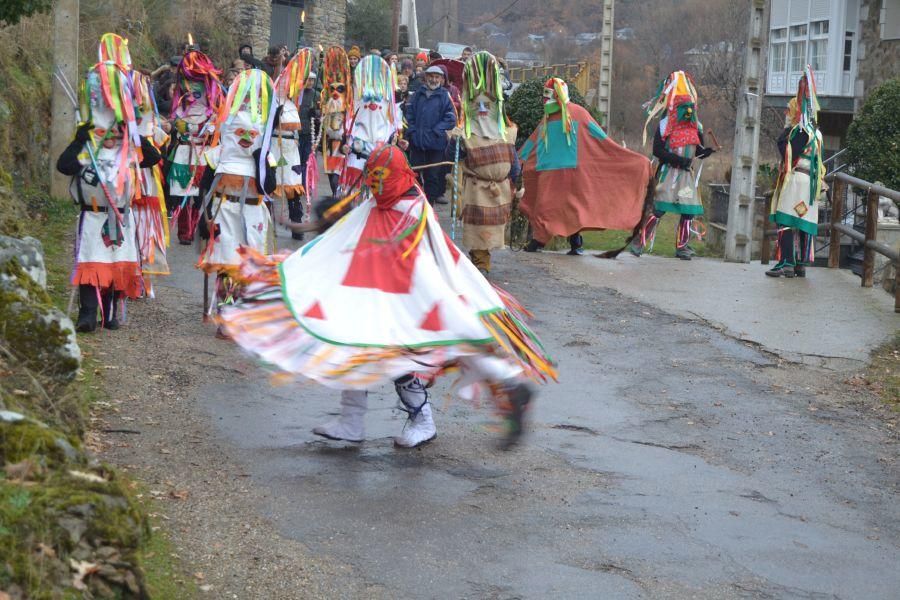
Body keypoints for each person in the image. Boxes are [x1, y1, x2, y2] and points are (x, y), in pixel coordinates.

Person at [220, 144, 556, 450]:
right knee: (354, 340)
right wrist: (332, 227)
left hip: (415, 305)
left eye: (381, 181)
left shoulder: (411, 211)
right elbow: (357, 233)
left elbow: (412, 263)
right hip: (386, 300)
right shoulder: (386, 204)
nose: (376, 189)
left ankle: (429, 416)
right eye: (372, 181)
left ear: (398, 178)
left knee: (411, 350)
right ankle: (351, 422)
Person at [56, 59, 161, 332]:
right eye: (104, 131)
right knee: (91, 265)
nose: (110, 135)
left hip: (120, 217)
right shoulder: (85, 151)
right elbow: (63, 166)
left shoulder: (128, 151)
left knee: (115, 265)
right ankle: (88, 314)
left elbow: (153, 156)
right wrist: (80, 140)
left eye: (115, 129)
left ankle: (110, 312)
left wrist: (133, 133)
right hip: (92, 215)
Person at [519, 78, 652, 254]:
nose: (545, 101)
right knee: (545, 206)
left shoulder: (578, 114)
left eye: (549, 96)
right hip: (549, 172)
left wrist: (624, 156)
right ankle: (541, 239)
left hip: (571, 173)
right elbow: (533, 142)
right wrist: (517, 159)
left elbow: (600, 138)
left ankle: (573, 241)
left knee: (573, 208)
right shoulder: (547, 119)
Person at [197, 68, 276, 336]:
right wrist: (203, 217)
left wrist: (259, 161)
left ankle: (241, 316)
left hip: (253, 216)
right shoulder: (218, 154)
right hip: (225, 211)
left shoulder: (266, 158)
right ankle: (225, 316)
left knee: (247, 268)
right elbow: (204, 185)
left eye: (251, 134)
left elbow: (270, 187)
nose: (245, 138)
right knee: (227, 264)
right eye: (240, 131)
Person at [448, 51, 520, 276]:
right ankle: (481, 264)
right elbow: (454, 158)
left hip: (500, 191)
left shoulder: (505, 133)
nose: (482, 110)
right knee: (479, 231)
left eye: (486, 105)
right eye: (477, 105)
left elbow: (513, 159)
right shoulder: (466, 135)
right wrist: (456, 141)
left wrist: (518, 179)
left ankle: (481, 260)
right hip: (478, 190)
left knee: (494, 231)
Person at [630, 70, 714, 260]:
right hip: (668, 174)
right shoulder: (665, 124)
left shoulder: (695, 126)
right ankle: (639, 242)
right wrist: (679, 161)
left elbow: (697, 150)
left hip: (686, 177)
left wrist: (705, 152)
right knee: (659, 209)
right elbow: (658, 151)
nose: (688, 110)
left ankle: (682, 247)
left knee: (687, 211)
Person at [766, 67, 824, 278]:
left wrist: (783, 138)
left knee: (786, 219)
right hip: (810, 182)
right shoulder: (817, 133)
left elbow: (789, 153)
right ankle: (800, 264)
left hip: (797, 178)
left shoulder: (800, 130)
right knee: (802, 221)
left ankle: (786, 262)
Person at [168, 49, 223, 244]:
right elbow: (175, 121)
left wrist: (209, 127)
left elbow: (217, 126)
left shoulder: (213, 107)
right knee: (183, 191)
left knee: (200, 193)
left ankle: (195, 225)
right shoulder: (180, 103)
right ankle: (184, 231)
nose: (192, 87)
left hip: (203, 152)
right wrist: (180, 125)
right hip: (184, 151)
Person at [271, 49, 315, 241]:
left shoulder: (292, 103)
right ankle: (266, 222)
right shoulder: (272, 100)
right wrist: (274, 116)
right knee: (270, 183)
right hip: (274, 146)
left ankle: (296, 224)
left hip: (291, 149)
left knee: (293, 185)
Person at [342, 55, 401, 186]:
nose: (373, 102)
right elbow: (350, 118)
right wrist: (346, 145)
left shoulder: (388, 105)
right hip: (358, 153)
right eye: (368, 99)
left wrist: (394, 137)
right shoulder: (357, 101)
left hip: (380, 154)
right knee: (353, 192)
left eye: (377, 99)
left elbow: (392, 120)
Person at [405, 65, 456, 205]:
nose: (434, 80)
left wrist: (436, 131)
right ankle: (417, 204)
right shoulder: (417, 94)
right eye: (431, 76)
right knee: (415, 174)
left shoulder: (445, 96)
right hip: (417, 141)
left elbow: (451, 119)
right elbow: (409, 114)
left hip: (436, 143)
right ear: (426, 77)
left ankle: (430, 205)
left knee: (432, 176)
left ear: (441, 79)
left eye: (437, 77)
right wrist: (413, 130)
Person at [319, 46, 352, 196]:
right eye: (332, 90)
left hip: (342, 143)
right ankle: (334, 194)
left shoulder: (347, 108)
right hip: (329, 143)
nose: (335, 93)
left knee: (338, 171)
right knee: (330, 171)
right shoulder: (327, 106)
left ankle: (337, 194)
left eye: (340, 90)